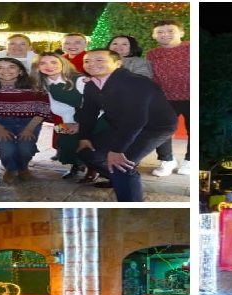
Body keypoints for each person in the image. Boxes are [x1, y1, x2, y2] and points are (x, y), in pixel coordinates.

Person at [75, 49, 178, 202]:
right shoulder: (92, 85)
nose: (92, 64)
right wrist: (84, 137)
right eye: (87, 61)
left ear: (118, 63)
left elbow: (136, 120)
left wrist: (117, 150)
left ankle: (131, 206)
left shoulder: (136, 83)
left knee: (120, 166)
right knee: (87, 153)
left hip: (155, 127)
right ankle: (122, 180)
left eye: (100, 60)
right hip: (121, 124)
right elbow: (89, 112)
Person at [31, 52, 96, 181]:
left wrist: (80, 125)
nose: (49, 66)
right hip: (69, 117)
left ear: (63, 64)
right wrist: (68, 123)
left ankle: (93, 168)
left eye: (53, 62)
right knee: (62, 136)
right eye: (43, 63)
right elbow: (57, 106)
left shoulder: (79, 79)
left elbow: (94, 106)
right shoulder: (45, 82)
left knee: (87, 141)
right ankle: (76, 165)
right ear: (37, 67)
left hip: (93, 118)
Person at [146, 20, 190, 176]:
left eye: (170, 30)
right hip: (165, 98)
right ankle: (167, 160)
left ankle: (190, 161)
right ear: (154, 35)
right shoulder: (152, 54)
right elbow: (152, 77)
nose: (165, 34)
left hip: (191, 97)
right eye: (160, 31)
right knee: (161, 129)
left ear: (181, 33)